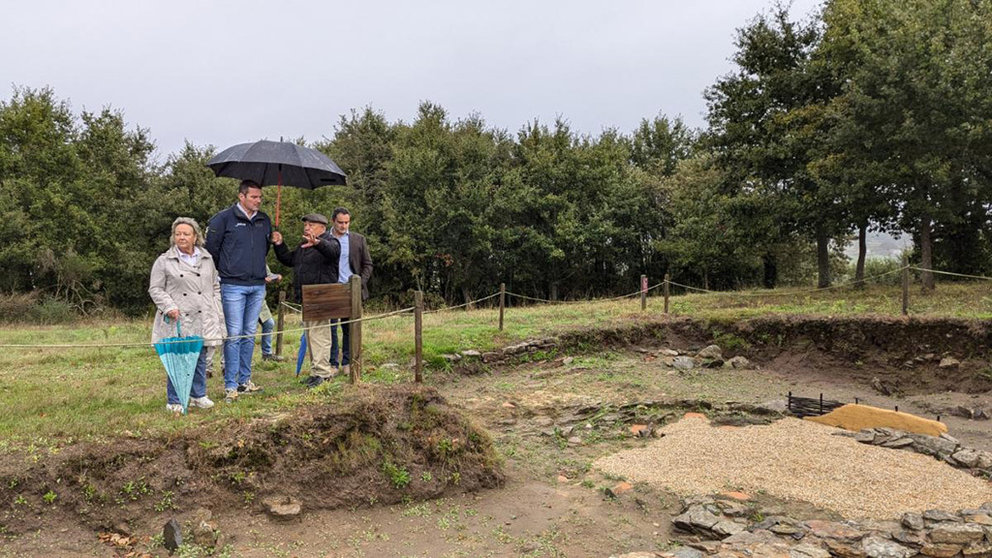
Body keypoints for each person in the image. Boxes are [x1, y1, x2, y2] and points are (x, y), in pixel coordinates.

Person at [206, 180, 273, 402]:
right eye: (254, 197)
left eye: (260, 197)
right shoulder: (223, 219)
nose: (258, 200)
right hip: (232, 284)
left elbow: (266, 249)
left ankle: (245, 381)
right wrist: (224, 273)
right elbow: (211, 251)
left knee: (249, 334)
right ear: (241, 197)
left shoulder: (264, 220)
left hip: (257, 284)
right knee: (233, 334)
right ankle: (230, 386)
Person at [149, 217, 223, 413]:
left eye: (186, 234)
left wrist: (216, 305)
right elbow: (155, 289)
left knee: (200, 355)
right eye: (178, 234)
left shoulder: (207, 258)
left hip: (203, 314)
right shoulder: (164, 261)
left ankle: (198, 395)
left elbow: (215, 285)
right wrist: (169, 306)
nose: (181, 237)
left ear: (195, 237)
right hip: (179, 316)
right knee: (178, 357)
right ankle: (174, 399)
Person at [272, 213, 341, 388]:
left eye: (311, 225)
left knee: (320, 335)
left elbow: (332, 252)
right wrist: (279, 244)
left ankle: (323, 373)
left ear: (322, 228)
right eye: (306, 225)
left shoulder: (330, 241)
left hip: (321, 296)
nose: (307, 228)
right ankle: (315, 371)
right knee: (310, 336)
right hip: (307, 297)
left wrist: (317, 243)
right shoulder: (304, 244)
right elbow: (289, 259)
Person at [328, 207, 373, 377]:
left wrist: (360, 283)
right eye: (340, 222)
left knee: (348, 328)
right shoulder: (324, 238)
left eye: (346, 222)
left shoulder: (358, 240)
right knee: (331, 328)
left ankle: (347, 362)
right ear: (333, 221)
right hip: (331, 289)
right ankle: (333, 363)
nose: (343, 226)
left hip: (350, 289)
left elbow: (368, 264)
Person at [258, 267, 285, 362]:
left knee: (269, 323)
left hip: (260, 300)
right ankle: (241, 360)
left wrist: (276, 276)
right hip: (246, 299)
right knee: (247, 330)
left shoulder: (260, 259)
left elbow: (269, 275)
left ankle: (267, 354)